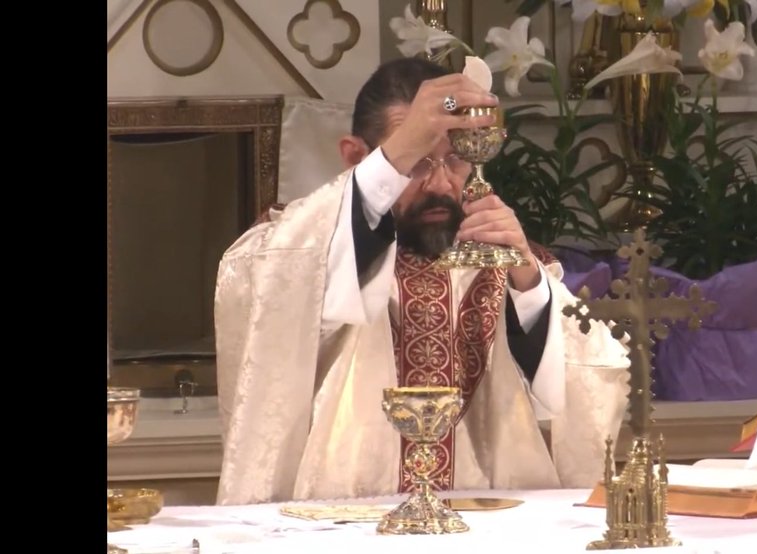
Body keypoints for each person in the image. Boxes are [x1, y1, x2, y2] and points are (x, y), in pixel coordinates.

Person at [213, 58, 631, 505]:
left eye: (453, 160)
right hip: (347, 518)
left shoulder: (493, 251)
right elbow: (276, 301)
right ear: (357, 156)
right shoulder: (310, 244)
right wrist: (397, 154)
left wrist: (528, 282)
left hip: (484, 522)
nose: (438, 183)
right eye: (415, 161)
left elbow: (577, 384)